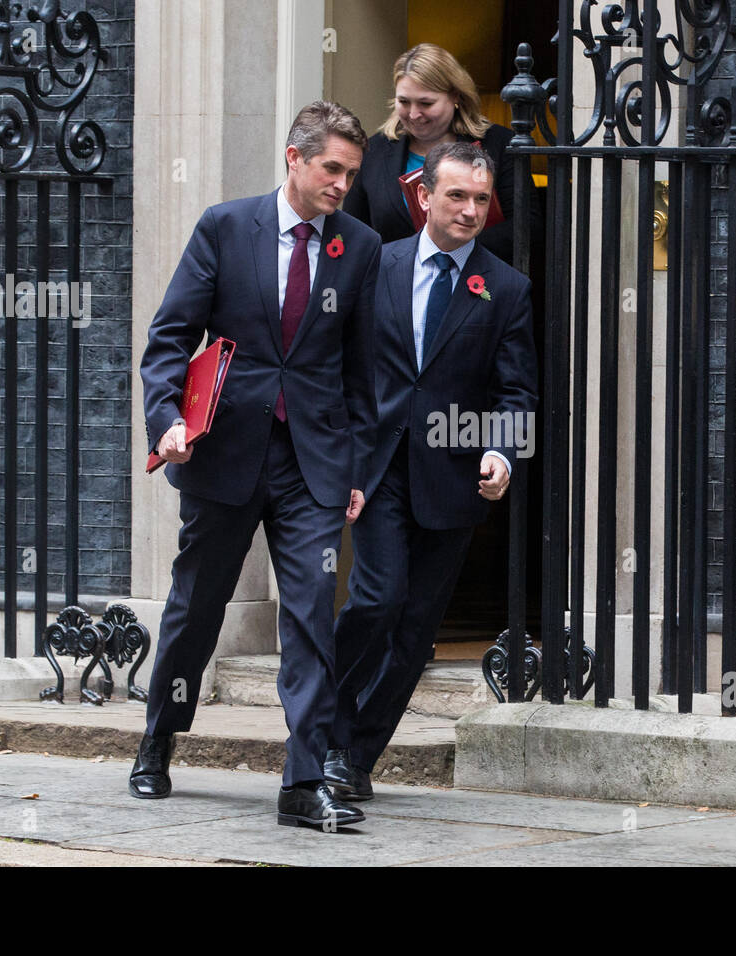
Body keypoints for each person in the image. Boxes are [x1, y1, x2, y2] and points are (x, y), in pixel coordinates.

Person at [132, 101, 380, 831]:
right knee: (195, 610)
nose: (341, 184)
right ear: (293, 159)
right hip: (226, 452)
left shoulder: (358, 248)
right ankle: (158, 740)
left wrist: (358, 467)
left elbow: (364, 371)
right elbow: (169, 337)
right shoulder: (225, 226)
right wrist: (168, 420)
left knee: (310, 618)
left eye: (352, 173)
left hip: (315, 464)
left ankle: (303, 782)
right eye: (331, 168)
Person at [324, 141, 538, 800]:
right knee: (377, 599)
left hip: (452, 481)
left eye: (480, 199)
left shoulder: (505, 289)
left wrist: (501, 454)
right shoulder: (374, 265)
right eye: (457, 196)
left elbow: (516, 392)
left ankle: (356, 758)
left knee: (416, 637)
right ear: (424, 196)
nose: (470, 210)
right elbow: (338, 366)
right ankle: (323, 729)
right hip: (379, 465)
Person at [342, 42, 535, 264]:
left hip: (480, 283)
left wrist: (449, 248)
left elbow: (526, 227)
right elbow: (355, 232)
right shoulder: (373, 151)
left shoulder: (498, 144)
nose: (414, 114)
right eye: (404, 102)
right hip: (394, 288)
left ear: (455, 97)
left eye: (426, 103)